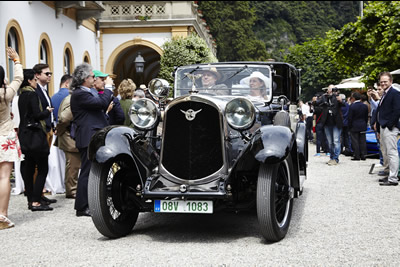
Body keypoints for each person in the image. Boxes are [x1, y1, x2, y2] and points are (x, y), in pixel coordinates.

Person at [70, 63, 113, 216]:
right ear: (84, 79)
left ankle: (89, 202)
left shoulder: (86, 92)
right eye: (92, 77)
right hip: (88, 136)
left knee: (92, 171)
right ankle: (82, 207)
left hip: (92, 135)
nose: (94, 79)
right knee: (87, 172)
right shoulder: (80, 94)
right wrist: (108, 88)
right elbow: (101, 103)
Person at [18, 69, 54, 211]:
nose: (35, 82)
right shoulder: (32, 95)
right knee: (43, 168)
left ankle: (30, 199)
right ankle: (36, 201)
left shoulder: (21, 95)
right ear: (29, 80)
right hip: (35, 135)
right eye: (34, 80)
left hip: (25, 134)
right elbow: (37, 115)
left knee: (29, 166)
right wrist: (47, 111)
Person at [0, 47, 23, 229]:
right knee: (4, 177)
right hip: (5, 135)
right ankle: (2, 215)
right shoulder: (5, 94)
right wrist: (16, 61)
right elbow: (18, 79)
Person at [375, 72, 400, 186]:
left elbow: (397, 111)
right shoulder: (385, 94)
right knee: (387, 153)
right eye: (381, 82)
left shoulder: (394, 93)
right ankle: (390, 175)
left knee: (392, 153)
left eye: (385, 81)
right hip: (384, 127)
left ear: (391, 81)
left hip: (390, 127)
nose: (383, 83)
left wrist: (390, 125)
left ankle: (393, 178)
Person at [54, 90, 80, 199]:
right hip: (70, 136)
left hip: (70, 135)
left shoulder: (70, 98)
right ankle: (72, 190)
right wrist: (59, 130)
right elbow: (64, 119)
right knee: (73, 166)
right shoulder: (72, 99)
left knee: (73, 165)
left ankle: (72, 189)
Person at [314, 85, 343, 165]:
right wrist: (315, 101)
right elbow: (317, 103)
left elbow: (344, 105)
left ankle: (335, 158)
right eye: (330, 89)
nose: (331, 91)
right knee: (330, 142)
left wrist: (341, 100)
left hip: (336, 122)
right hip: (327, 122)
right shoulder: (324, 97)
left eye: (333, 89)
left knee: (336, 141)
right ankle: (332, 157)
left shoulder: (338, 97)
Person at [348, 92, 368, 161]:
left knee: (355, 141)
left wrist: (349, 126)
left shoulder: (352, 106)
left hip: (354, 125)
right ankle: (363, 155)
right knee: (362, 141)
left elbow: (350, 118)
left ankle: (357, 155)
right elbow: (366, 117)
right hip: (362, 124)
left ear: (353, 98)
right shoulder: (364, 106)